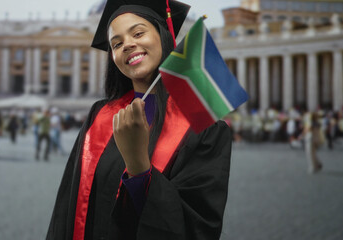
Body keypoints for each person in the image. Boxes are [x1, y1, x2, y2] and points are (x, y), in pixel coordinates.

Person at [46, 1, 232, 239]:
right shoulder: (99, 116)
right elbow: (67, 208)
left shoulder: (204, 127)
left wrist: (138, 167)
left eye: (138, 33)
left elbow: (198, 229)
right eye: (117, 43)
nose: (128, 45)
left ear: (164, 35)